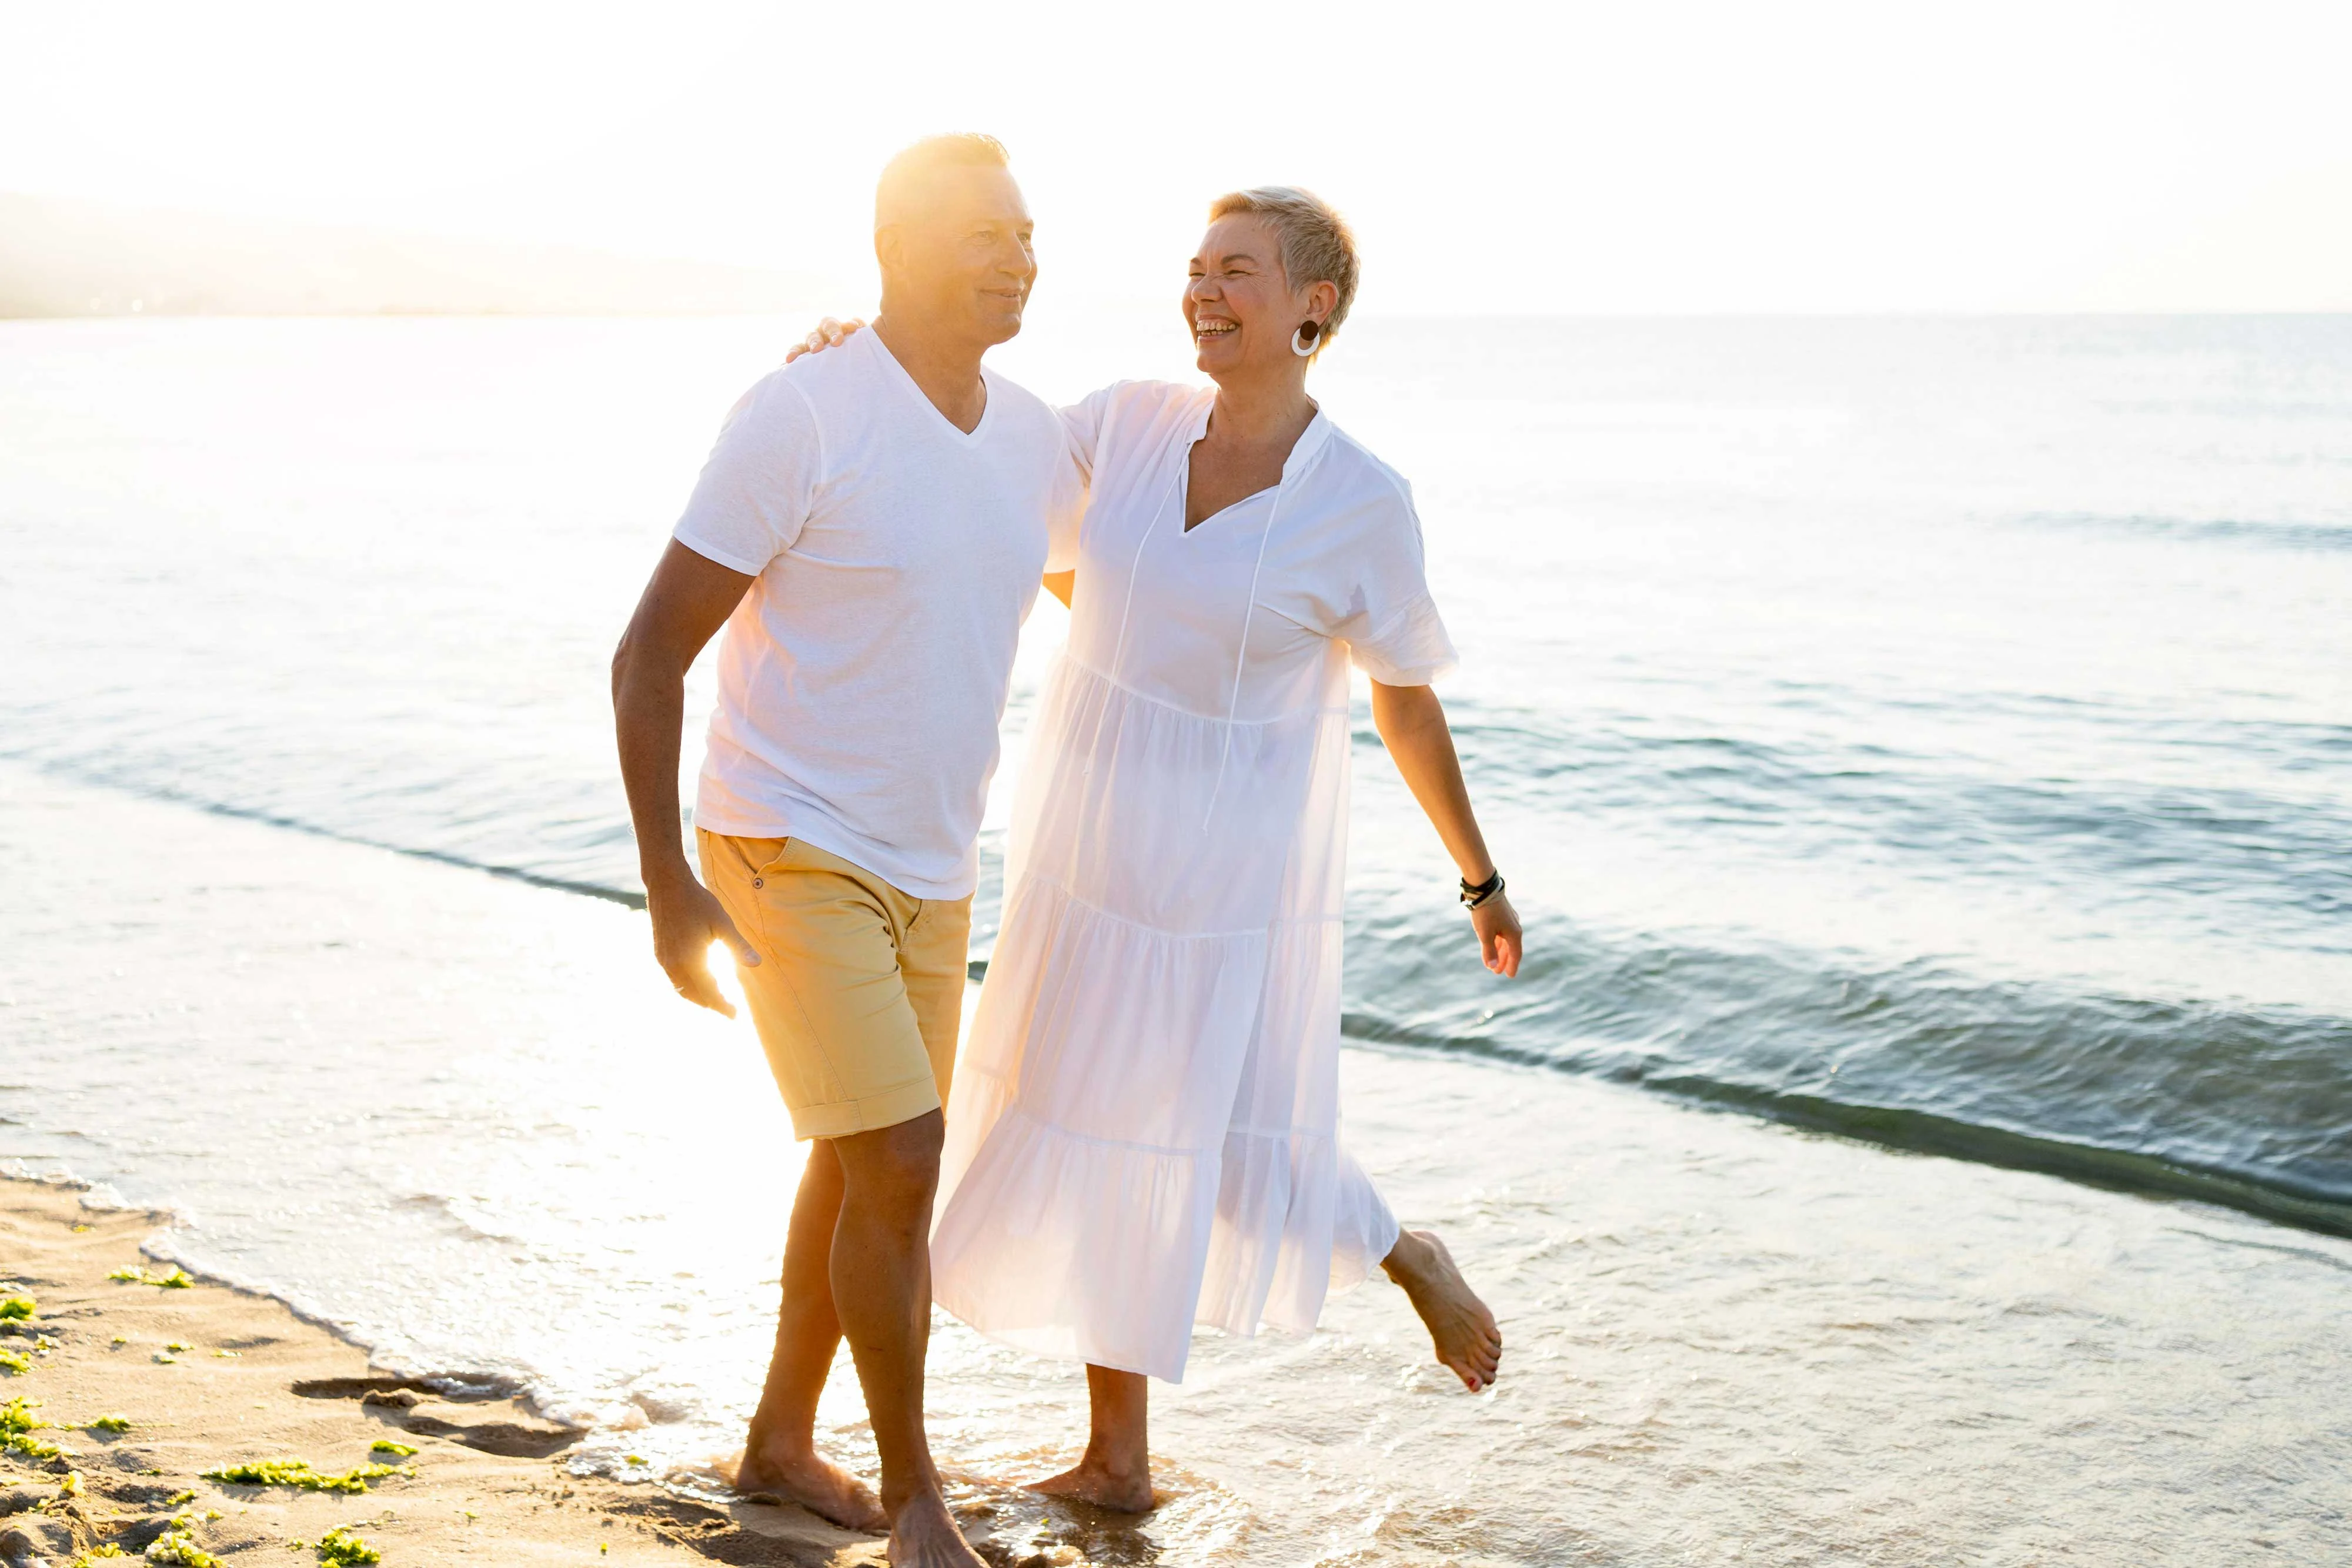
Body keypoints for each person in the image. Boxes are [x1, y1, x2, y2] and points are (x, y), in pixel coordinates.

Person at [789, 185, 1516, 1512]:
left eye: (1235, 270)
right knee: (1090, 1114)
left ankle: (1404, 1252)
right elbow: (977, 461)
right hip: (1081, 840)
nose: (1203, 291)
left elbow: (1402, 696)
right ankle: (1116, 1456)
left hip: (1223, 873)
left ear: (1313, 306)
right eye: (1194, 268)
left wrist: (1476, 873)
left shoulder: (1359, 499)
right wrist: (871, 357)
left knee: (1211, 1133)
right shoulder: (1124, 422)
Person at [610, 133, 1079, 1568]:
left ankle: (774, 1439)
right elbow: (646, 659)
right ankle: (917, 1500)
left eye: (1026, 234)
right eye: (984, 234)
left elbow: (1121, 603)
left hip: (933, 866)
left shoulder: (1033, 439)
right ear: (894, 246)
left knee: (855, 1158)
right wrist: (663, 883)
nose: (1016, 257)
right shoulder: (800, 414)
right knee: (901, 1156)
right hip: (778, 837)